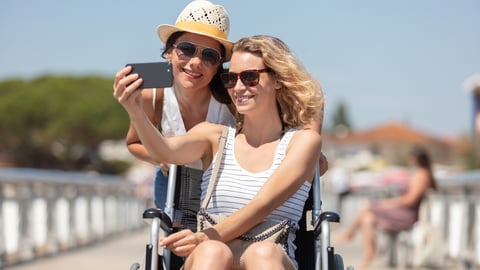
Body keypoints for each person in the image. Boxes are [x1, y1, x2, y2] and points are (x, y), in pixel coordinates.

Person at [114, 35, 324, 269]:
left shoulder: (303, 142)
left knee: (262, 253)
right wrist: (135, 112)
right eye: (231, 78)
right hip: (210, 256)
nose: (239, 87)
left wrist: (203, 237)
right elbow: (164, 150)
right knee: (213, 253)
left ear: (277, 79)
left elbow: (263, 204)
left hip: (270, 253)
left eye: (250, 77)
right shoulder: (214, 136)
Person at [113, 0, 236, 225]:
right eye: (186, 49)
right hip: (173, 186)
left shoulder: (232, 98)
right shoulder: (155, 96)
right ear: (169, 53)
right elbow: (133, 143)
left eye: (209, 55)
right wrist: (161, 157)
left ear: (219, 64)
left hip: (223, 190)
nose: (196, 62)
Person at [336, 146, 437, 270]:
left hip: (406, 216)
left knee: (368, 207)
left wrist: (389, 203)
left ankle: (353, 237)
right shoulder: (420, 173)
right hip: (403, 212)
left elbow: (409, 200)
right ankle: (368, 253)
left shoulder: (422, 175)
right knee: (368, 218)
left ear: (416, 158)